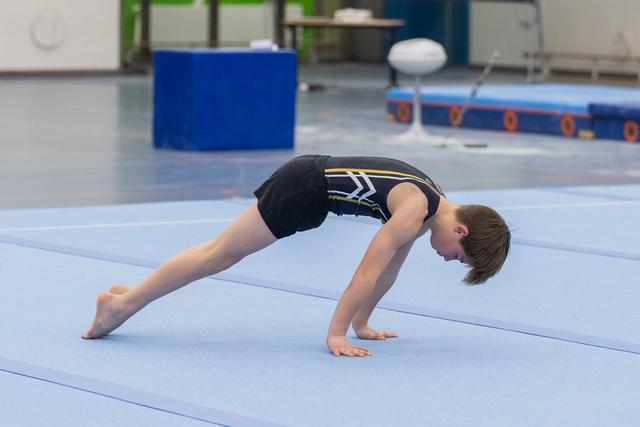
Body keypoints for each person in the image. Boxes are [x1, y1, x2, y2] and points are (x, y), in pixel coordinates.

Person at [83, 155, 510, 357]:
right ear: (461, 230)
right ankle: (120, 305)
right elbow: (366, 272)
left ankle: (133, 294)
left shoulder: (429, 210)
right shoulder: (416, 209)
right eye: (458, 256)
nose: (449, 260)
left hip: (312, 193)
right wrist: (337, 334)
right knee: (218, 256)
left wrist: (363, 324)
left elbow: (387, 274)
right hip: (302, 188)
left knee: (219, 255)